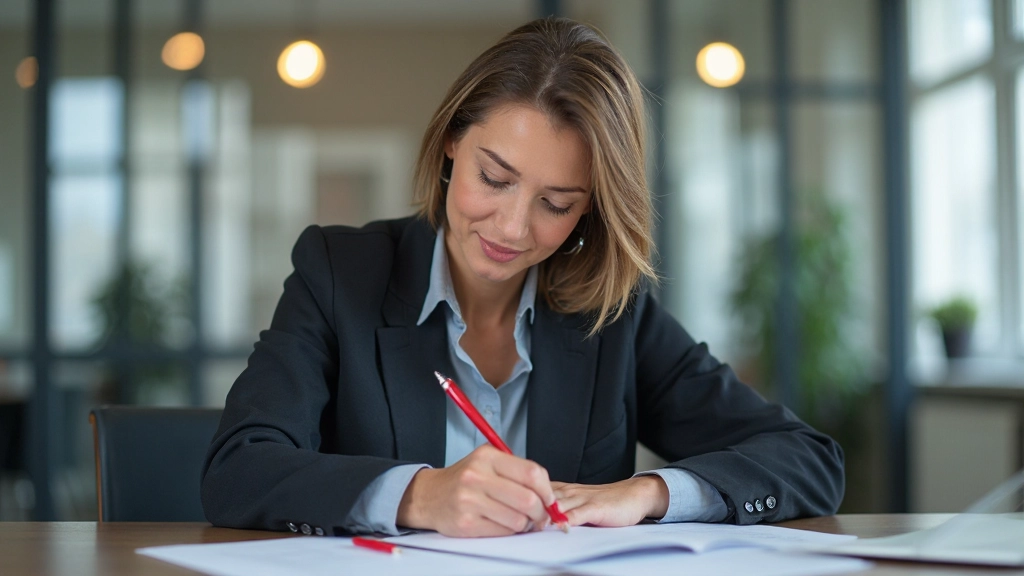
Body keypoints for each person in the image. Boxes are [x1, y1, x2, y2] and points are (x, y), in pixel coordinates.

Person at [201, 17, 844, 538]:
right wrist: (421, 496)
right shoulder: (340, 273)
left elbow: (808, 460)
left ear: (591, 205)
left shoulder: (612, 313)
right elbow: (238, 471)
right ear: (452, 142)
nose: (511, 228)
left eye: (556, 204)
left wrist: (648, 494)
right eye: (495, 178)